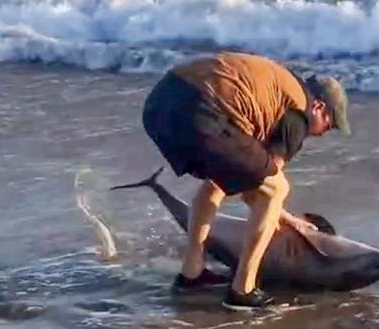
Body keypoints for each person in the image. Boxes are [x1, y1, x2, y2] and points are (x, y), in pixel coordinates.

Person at [142, 51, 350, 310]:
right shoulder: (298, 114)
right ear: (318, 106)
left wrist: (279, 214)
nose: (322, 135)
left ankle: (192, 272)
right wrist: (289, 221)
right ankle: (243, 290)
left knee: (217, 183)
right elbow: (259, 189)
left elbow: (249, 176)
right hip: (201, 109)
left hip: (159, 105)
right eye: (329, 125)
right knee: (277, 189)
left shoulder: (278, 88)